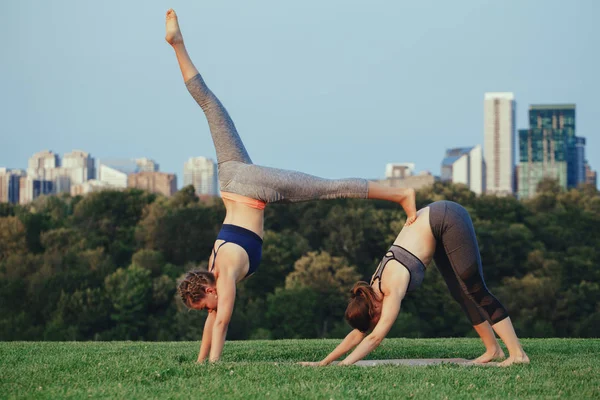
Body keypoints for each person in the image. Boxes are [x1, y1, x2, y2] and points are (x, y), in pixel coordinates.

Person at [166, 9, 417, 363]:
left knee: (329, 188)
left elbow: (221, 322)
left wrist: (213, 367)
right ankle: (178, 45)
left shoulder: (223, 280)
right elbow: (212, 317)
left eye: (203, 302)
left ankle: (400, 193)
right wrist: (198, 363)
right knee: (210, 105)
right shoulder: (215, 267)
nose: (209, 308)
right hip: (231, 175)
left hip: (251, 189)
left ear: (208, 288)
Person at [314, 200, 530, 367]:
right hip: (435, 226)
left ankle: (517, 354)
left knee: (474, 288)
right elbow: (360, 333)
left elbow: (375, 338)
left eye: (373, 322)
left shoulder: (390, 287)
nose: (374, 326)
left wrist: (344, 365)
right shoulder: (372, 293)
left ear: (373, 311)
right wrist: (325, 362)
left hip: (447, 217)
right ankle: (493, 351)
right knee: (460, 293)